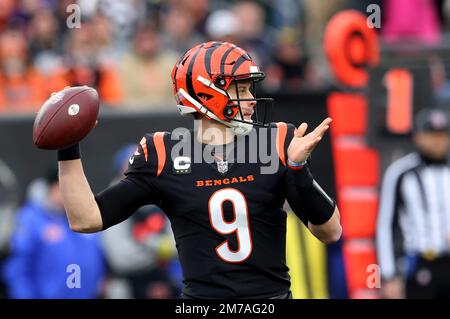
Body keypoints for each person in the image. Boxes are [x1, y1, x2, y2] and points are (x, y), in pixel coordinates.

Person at [56, 41, 341, 299]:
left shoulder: (276, 142)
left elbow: (330, 232)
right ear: (207, 93)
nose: (251, 98)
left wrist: (298, 169)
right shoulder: (162, 154)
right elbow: (87, 219)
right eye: (240, 88)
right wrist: (68, 147)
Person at [377, 107, 450, 299]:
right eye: (432, 135)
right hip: (420, 263)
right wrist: (389, 274)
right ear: (418, 137)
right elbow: (385, 225)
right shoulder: (401, 172)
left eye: (442, 135)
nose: (438, 141)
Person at [2, 168, 105, 299]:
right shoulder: (31, 219)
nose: (71, 192)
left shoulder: (86, 218)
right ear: (51, 188)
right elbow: (17, 269)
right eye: (65, 186)